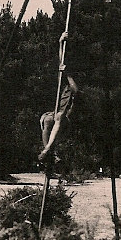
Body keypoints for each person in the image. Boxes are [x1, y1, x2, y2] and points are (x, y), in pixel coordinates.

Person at [39, 32, 78, 163]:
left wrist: (67, 73)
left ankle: (47, 149)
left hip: (66, 118)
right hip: (57, 115)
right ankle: (50, 153)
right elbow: (61, 61)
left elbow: (76, 91)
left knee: (59, 116)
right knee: (46, 119)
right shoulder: (64, 84)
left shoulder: (73, 83)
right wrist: (60, 42)